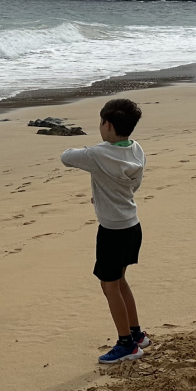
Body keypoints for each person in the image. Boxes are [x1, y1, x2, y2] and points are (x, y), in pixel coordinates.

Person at [61, 97, 149, 364]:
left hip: (112, 231)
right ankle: (136, 334)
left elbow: (66, 157)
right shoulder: (136, 150)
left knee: (109, 285)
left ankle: (127, 344)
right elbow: (132, 186)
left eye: (101, 123)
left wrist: (95, 150)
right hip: (132, 225)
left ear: (107, 125)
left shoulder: (97, 154)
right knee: (120, 281)